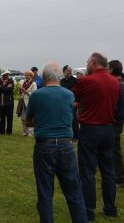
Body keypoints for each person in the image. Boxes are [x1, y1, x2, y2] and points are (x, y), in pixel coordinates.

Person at [26, 63, 87, 223]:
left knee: (45, 193)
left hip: (44, 145)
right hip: (66, 144)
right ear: (59, 77)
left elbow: (28, 121)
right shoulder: (69, 95)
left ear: (44, 77)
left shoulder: (37, 95)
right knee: (74, 191)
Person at [72, 52, 119, 221]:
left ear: (93, 62)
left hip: (90, 129)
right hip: (108, 129)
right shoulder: (115, 82)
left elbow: (71, 97)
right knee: (108, 171)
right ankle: (110, 207)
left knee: (87, 172)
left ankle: (88, 209)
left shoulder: (86, 81)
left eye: (87, 62)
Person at [108, 60, 124, 188]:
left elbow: (114, 105)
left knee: (114, 150)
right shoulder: (121, 83)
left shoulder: (117, 84)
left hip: (115, 121)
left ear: (111, 70)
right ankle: (117, 176)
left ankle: (120, 178)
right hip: (118, 120)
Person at [61, 65, 79, 139]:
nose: (68, 71)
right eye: (67, 70)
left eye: (70, 70)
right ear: (64, 71)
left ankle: (76, 136)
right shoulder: (62, 81)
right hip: (63, 102)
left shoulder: (75, 80)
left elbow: (76, 91)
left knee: (74, 119)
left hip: (72, 102)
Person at [0, 70, 15, 135]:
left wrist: (1, 87)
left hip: (9, 102)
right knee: (2, 117)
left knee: (9, 117)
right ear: (3, 75)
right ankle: (1, 131)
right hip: (1, 103)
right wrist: (5, 87)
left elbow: (10, 89)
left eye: (8, 74)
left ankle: (9, 131)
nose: (7, 75)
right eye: (6, 74)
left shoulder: (11, 81)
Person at [18, 70, 37, 136]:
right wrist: (20, 90)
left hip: (30, 102)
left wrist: (23, 90)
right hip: (22, 101)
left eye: (27, 75)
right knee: (23, 117)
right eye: (25, 75)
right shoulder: (23, 82)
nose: (26, 76)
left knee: (30, 117)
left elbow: (33, 95)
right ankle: (25, 131)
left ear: (31, 75)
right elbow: (20, 93)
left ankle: (30, 132)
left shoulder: (33, 83)